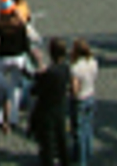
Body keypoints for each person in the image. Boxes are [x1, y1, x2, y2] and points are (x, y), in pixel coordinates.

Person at [28, 38, 72, 166]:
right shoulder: (65, 69)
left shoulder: (49, 73)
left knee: (47, 142)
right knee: (61, 138)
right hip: (60, 107)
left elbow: (35, 89)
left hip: (46, 110)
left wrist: (38, 65)